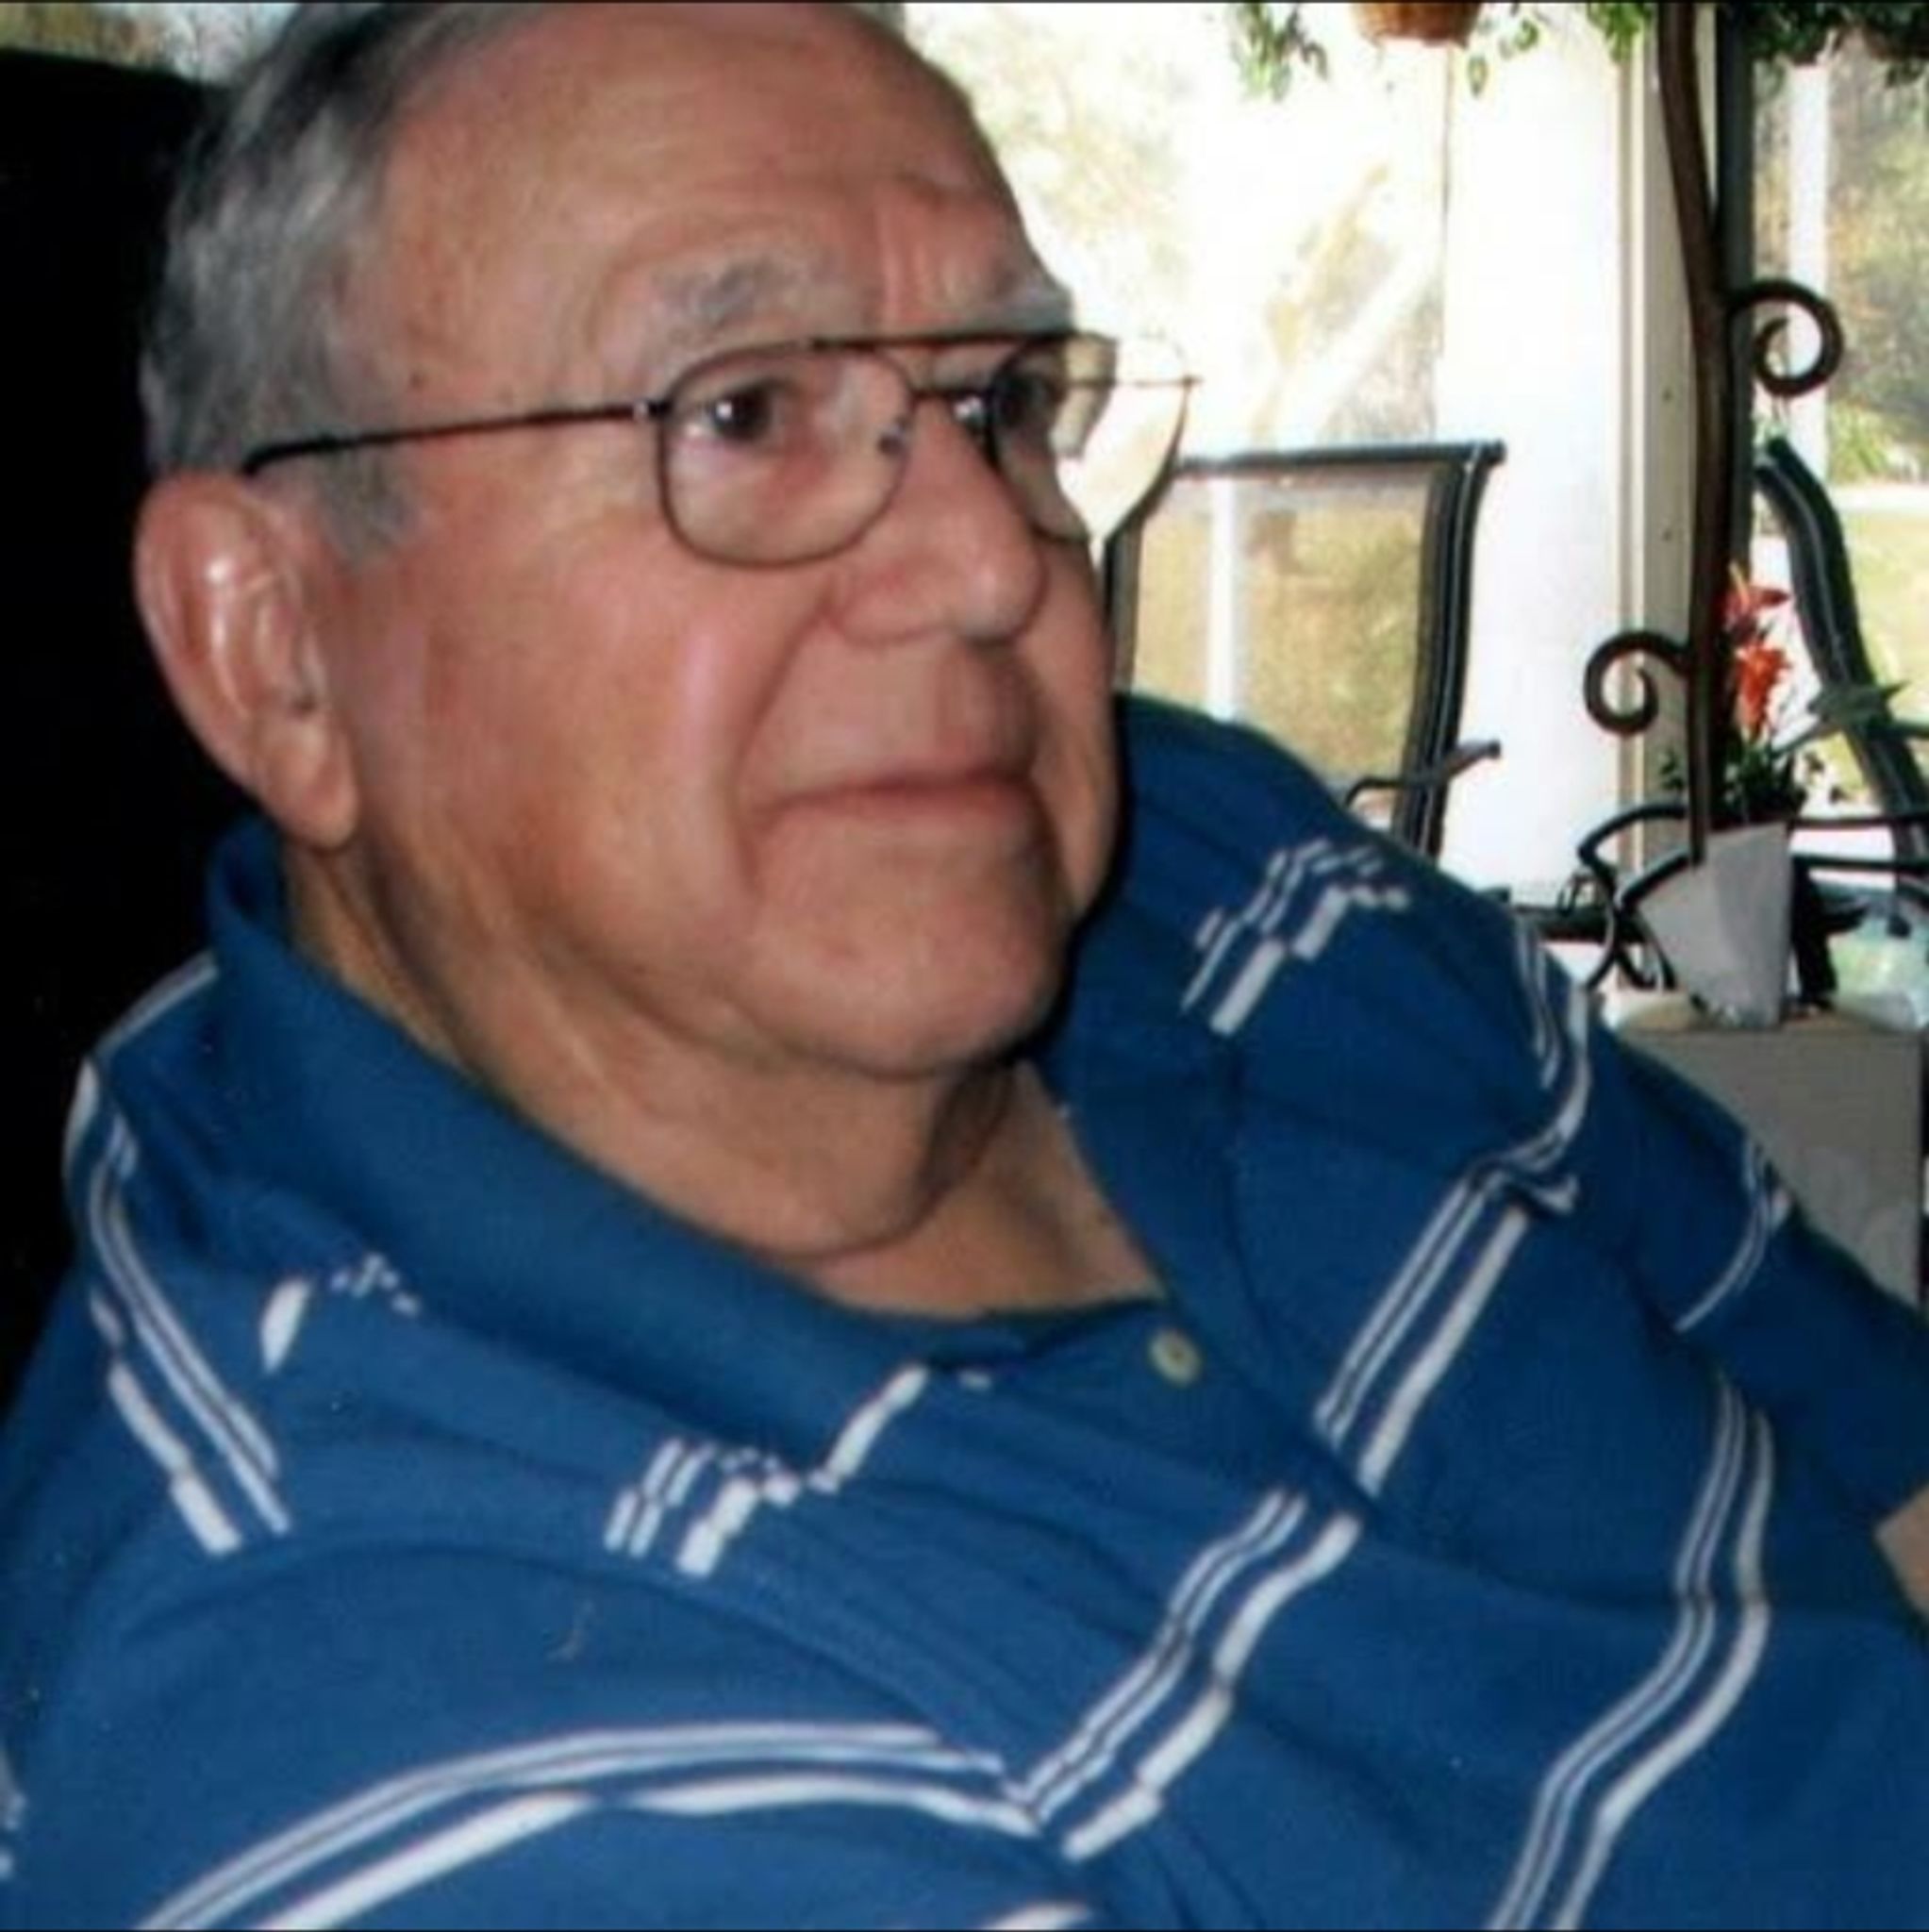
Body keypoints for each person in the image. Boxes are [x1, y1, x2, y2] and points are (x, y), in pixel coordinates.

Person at [0, 3, 1923, 1924]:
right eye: (741, 413)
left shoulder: (1219, 871)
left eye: (1000, 403)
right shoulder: (396, 1722)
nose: (998, 561)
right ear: (276, 647)